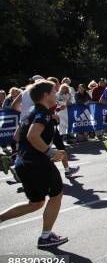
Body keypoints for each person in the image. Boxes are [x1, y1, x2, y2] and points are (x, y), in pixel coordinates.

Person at [0, 80, 68, 248]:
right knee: (56, 194)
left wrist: (50, 120)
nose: (56, 94)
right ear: (45, 95)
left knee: (36, 203)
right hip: (38, 163)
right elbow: (32, 135)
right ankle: (46, 237)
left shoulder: (32, 111)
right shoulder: (41, 114)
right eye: (53, 92)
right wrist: (50, 152)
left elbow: (17, 136)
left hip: (24, 163)